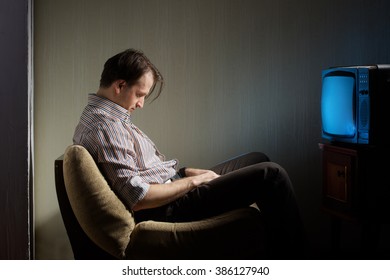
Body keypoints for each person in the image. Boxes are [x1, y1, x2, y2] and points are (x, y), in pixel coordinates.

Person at [73, 48, 306, 258]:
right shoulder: (106, 127)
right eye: (140, 94)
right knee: (272, 176)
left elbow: (141, 171)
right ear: (120, 85)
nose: (141, 103)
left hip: (171, 185)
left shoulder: (105, 116)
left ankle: (275, 250)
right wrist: (195, 181)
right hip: (169, 207)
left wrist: (184, 172)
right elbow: (139, 198)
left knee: (258, 159)